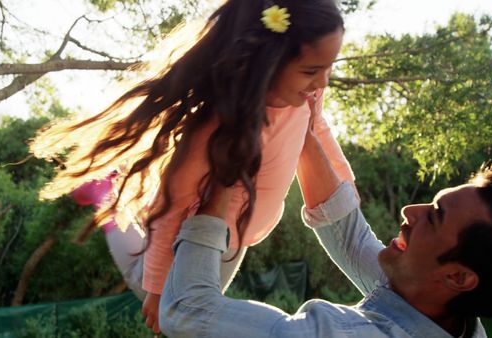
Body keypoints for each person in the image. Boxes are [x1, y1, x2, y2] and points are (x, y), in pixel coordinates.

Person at [31, 0, 354, 332]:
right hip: (192, 234)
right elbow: (172, 206)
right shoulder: (214, 127)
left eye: (329, 67)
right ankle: (107, 196)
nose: (323, 82)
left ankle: (114, 196)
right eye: (312, 71)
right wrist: (156, 291)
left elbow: (318, 132)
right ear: (269, 61)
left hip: (238, 237)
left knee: (200, 310)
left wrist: (346, 190)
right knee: (152, 290)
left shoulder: (306, 97)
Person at [158, 123, 492, 337]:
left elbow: (188, 313)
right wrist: (300, 125)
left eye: (433, 216)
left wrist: (223, 184)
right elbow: (348, 235)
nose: (408, 211)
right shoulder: (448, 314)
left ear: (458, 276)